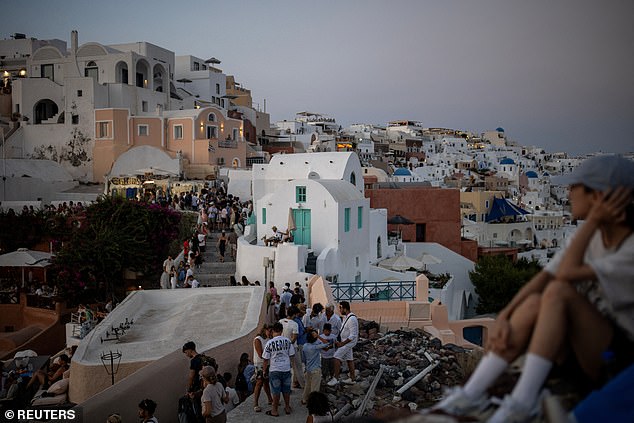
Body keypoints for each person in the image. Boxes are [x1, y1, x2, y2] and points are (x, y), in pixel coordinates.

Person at [427, 155, 634, 423]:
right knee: (537, 300)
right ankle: (472, 393)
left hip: (618, 358)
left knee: (559, 292)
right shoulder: (589, 238)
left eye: (576, 187)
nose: (568, 193)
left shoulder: (628, 247)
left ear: (600, 196)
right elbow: (543, 278)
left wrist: (593, 221)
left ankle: (523, 403)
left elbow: (565, 275)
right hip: (581, 346)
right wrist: (503, 317)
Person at [262, 322, 295, 417]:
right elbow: (292, 355)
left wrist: (264, 371)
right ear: (281, 331)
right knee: (286, 390)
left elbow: (265, 359)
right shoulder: (288, 341)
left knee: (275, 391)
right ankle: (287, 407)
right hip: (286, 369)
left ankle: (274, 410)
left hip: (274, 370)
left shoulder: (269, 343)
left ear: (273, 331)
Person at [327, 301, 358, 386]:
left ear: (344, 308)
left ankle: (336, 378)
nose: (339, 310)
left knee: (336, 357)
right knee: (349, 359)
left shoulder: (352, 319)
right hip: (345, 341)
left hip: (348, 342)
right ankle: (352, 378)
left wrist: (342, 344)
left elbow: (353, 335)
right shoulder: (346, 317)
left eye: (340, 308)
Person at [301, 329, 330, 404]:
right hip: (316, 369)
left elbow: (303, 359)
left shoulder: (305, 346)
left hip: (308, 369)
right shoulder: (316, 347)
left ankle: (304, 399)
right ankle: (313, 403)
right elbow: (327, 343)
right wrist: (318, 336)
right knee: (315, 388)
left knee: (307, 385)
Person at [252, 324, 273, 412]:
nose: (270, 333)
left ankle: (270, 399)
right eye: (269, 331)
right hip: (260, 364)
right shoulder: (258, 339)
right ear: (264, 330)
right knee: (259, 383)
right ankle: (256, 403)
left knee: (266, 382)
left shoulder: (269, 339)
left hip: (267, 363)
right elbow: (260, 354)